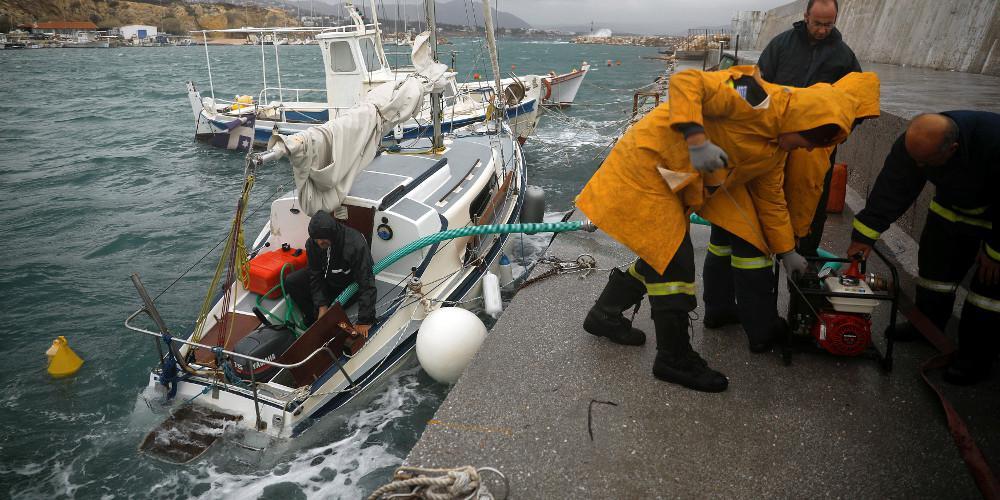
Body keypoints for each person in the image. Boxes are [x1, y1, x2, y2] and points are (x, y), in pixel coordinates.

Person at [577, 65, 878, 393]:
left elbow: (771, 202)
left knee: (661, 255)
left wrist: (787, 250)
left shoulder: (775, 151)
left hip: (678, 182)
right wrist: (696, 139)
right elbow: (686, 81)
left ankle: (604, 315)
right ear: (800, 121)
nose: (806, 149)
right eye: (808, 140)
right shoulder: (754, 95)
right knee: (676, 266)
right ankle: (673, 358)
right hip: (648, 167)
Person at [701, 0, 864, 340]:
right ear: (805, 17)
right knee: (739, 232)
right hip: (770, 141)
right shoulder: (781, 46)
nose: (822, 29)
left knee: (801, 221)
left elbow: (856, 104)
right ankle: (732, 313)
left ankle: (799, 310)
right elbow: (750, 85)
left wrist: (829, 136)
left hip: (810, 152)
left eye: (828, 24)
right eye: (817, 22)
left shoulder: (845, 58)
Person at [847, 111, 1000, 385]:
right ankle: (927, 326)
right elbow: (891, 190)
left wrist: (995, 251)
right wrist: (864, 237)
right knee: (934, 274)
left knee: (987, 297)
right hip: (949, 211)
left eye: (925, 162)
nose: (918, 165)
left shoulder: (993, 143)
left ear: (952, 149)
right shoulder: (914, 145)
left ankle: (974, 359)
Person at [284, 210, 377, 336]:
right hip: (328, 280)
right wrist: (321, 305)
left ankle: (332, 321)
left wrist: (365, 320)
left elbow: (366, 281)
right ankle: (316, 320)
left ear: (332, 234)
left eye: (323, 239)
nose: (319, 243)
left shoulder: (355, 244)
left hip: (348, 287)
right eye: (316, 239)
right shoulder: (313, 244)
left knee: (338, 306)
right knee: (291, 281)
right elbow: (315, 274)